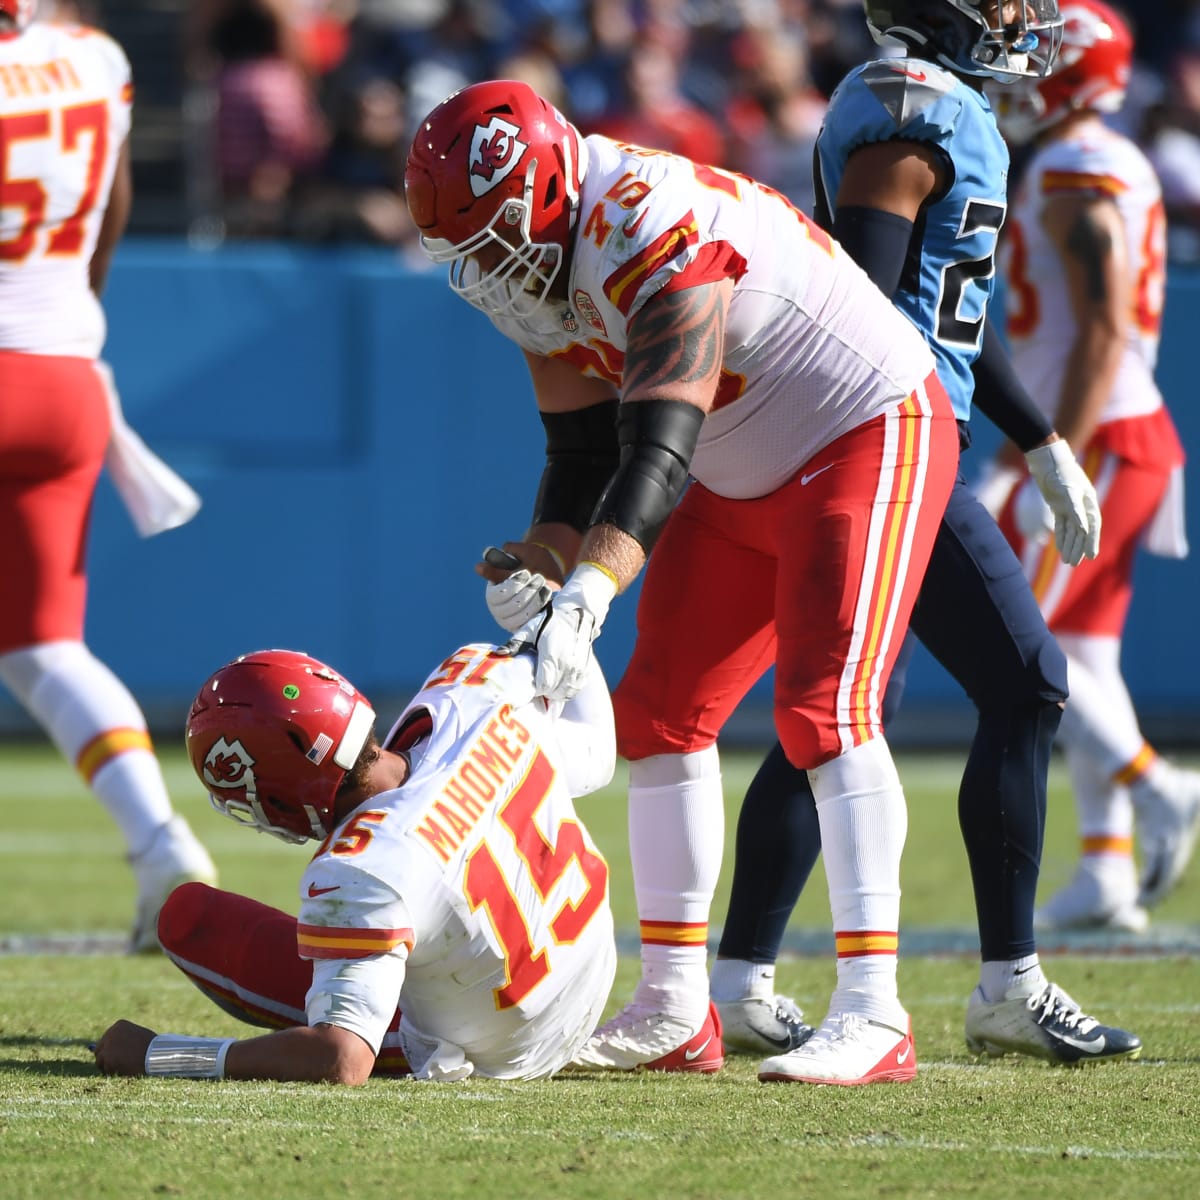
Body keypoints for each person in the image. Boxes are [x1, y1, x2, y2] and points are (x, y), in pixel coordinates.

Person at [407, 78, 963, 1086]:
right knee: (661, 712)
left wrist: (595, 588)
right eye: (468, 251)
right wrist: (542, 569)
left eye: (494, 239)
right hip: (737, 464)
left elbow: (659, 439)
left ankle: (875, 1013)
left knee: (825, 710)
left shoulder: (644, 220)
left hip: (861, 429)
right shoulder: (537, 258)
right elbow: (581, 453)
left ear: (545, 194)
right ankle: (673, 1005)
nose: (486, 273)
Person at [710, 0, 1142, 1070]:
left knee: (854, 708)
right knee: (1023, 679)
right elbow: (867, 299)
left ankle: (738, 982)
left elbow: (941, 303)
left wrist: (1039, 440)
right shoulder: (911, 115)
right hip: (890, 434)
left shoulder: (942, 111)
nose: (1020, 16)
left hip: (907, 427)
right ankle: (1007, 985)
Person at [92, 640, 621, 1082]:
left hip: (513, 1046)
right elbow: (597, 755)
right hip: (593, 963)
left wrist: (161, 1055)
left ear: (279, 797)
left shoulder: (361, 866)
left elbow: (341, 1056)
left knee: (188, 920)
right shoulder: (475, 685)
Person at [0, 0, 216, 953]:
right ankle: (161, 843)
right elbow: (112, 201)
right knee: (45, 649)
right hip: (65, 376)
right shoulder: (94, 54)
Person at [984, 0, 1199, 930]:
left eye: (1036, 55)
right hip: (1120, 427)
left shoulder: (1076, 167)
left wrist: (1051, 452)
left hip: (1101, 434)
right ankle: (1108, 866)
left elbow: (1103, 323)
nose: (1020, 72)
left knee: (1032, 644)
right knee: (1085, 653)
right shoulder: (1104, 156)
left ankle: (1161, 787)